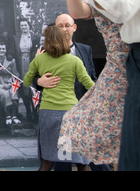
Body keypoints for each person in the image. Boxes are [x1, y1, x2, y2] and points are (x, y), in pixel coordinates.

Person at [56, 0, 140, 170]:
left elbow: (120, 7)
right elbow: (77, 11)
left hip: (126, 69)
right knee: (119, 139)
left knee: (124, 139)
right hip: (121, 69)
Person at [23, 25, 94, 171]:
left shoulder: (39, 60)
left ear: (46, 41)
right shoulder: (74, 61)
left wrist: (39, 77)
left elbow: (26, 81)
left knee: (47, 161)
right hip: (71, 113)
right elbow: (90, 84)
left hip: (48, 113)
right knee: (81, 162)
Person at [0, 41, 21, 129]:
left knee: (14, 92)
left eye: (3, 49)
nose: (1, 50)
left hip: (10, 83)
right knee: (5, 94)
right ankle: (8, 115)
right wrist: (0, 85)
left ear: (6, 50)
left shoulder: (11, 61)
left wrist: (10, 83)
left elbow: (16, 74)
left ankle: (14, 116)